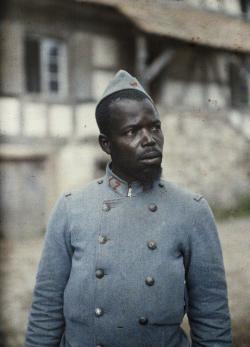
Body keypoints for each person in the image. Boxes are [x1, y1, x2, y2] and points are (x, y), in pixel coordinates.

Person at [26, 70, 232, 347]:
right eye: (132, 131)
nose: (149, 139)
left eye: (155, 127)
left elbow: (211, 316)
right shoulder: (71, 208)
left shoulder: (192, 210)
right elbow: (46, 311)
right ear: (106, 144)